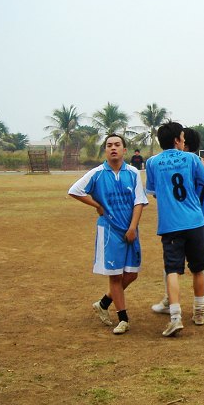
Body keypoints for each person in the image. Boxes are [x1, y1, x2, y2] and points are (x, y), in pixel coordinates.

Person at [68, 134, 148, 335]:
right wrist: (97, 205)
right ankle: (123, 319)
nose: (113, 148)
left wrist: (132, 228)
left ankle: (103, 303)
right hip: (109, 230)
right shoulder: (97, 173)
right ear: (105, 150)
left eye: (117, 145)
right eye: (109, 145)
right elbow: (75, 190)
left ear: (124, 150)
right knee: (115, 276)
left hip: (130, 230)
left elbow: (139, 201)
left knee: (132, 274)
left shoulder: (133, 173)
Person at [145, 121, 204, 337]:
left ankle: (175, 316)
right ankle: (199, 312)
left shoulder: (152, 162)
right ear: (177, 140)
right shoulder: (192, 159)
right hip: (195, 221)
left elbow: (153, 191)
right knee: (199, 268)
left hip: (170, 225)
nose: (184, 142)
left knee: (172, 270)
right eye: (183, 138)